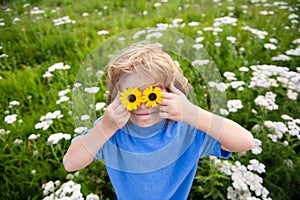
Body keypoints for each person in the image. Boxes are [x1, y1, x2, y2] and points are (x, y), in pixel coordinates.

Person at [63, 43, 254, 199]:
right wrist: (105, 127)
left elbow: (245, 141)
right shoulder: (113, 129)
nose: (143, 105)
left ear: (174, 94)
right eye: (132, 96)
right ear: (116, 99)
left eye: (152, 94)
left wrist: (192, 113)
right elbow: (70, 163)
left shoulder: (187, 129)